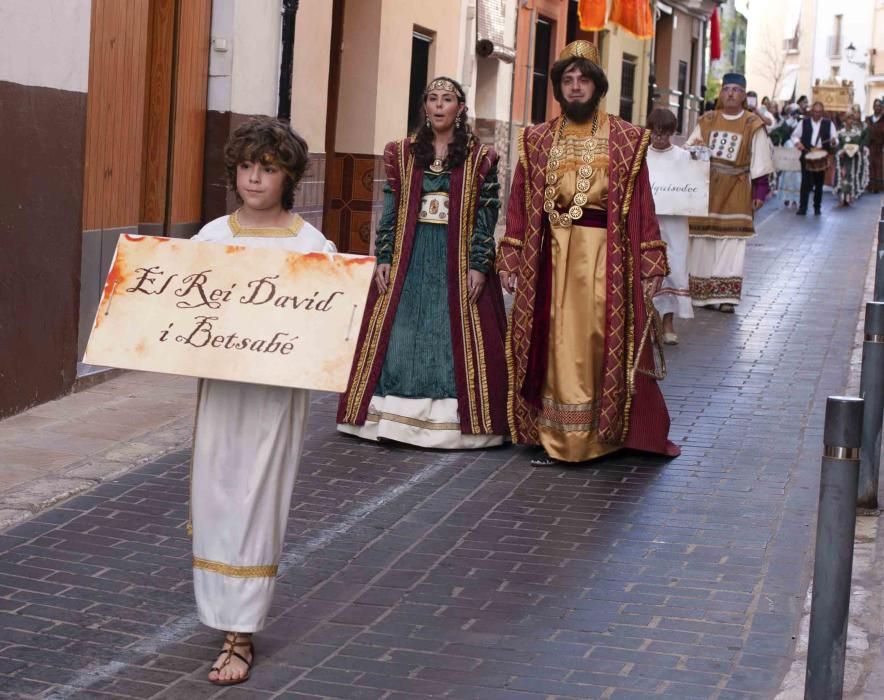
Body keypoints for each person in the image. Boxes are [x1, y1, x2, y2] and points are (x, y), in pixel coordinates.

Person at [189, 117, 336, 685]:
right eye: (247, 166)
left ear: (288, 176)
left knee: (257, 497)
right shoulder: (209, 238)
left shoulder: (308, 245)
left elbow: (325, 322)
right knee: (215, 494)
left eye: (268, 169)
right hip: (222, 388)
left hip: (275, 394)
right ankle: (222, 614)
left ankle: (239, 633)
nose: (255, 178)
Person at [497, 40, 679, 466]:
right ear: (559, 89)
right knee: (552, 340)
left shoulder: (627, 139)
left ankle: (600, 434)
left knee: (598, 341)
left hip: (605, 261)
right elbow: (520, 203)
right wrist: (511, 255)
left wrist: (651, 259)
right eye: (567, 80)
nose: (575, 87)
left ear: (598, 87)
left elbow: (642, 206)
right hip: (549, 260)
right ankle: (553, 432)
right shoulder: (537, 139)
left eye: (584, 80)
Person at [337, 76, 508, 448]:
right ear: (425, 107)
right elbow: (392, 209)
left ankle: (450, 423)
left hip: (456, 257)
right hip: (410, 257)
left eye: (447, 99)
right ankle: (391, 418)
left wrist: (479, 263)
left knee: (450, 336)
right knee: (402, 335)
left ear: (460, 108)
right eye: (433, 99)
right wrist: (384, 255)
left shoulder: (481, 157)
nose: (440, 105)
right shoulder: (402, 152)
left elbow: (487, 212)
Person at [686, 72, 774, 313]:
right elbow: (689, 151)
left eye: (736, 90)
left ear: (744, 95)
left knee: (732, 241)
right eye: (727, 89)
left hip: (737, 187)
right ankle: (702, 294)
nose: (731, 93)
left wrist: (760, 191)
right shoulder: (708, 120)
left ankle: (727, 297)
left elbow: (761, 160)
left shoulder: (752, 124)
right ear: (721, 93)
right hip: (707, 188)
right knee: (702, 240)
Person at [646, 108, 694, 344]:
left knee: (673, 265)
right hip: (649, 221)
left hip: (674, 223)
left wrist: (702, 158)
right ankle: (651, 320)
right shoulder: (641, 156)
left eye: (664, 135)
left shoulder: (683, 157)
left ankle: (668, 321)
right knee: (649, 266)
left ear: (672, 134)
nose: (660, 139)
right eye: (656, 134)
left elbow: (696, 185)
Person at [792, 100, 836, 216]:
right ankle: (803, 207)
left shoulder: (828, 123)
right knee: (805, 183)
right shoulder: (804, 122)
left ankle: (817, 207)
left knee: (819, 184)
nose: (817, 114)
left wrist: (833, 142)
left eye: (820, 112)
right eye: (815, 112)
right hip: (806, 154)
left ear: (822, 112)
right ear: (812, 111)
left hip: (821, 156)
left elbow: (835, 140)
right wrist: (798, 143)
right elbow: (795, 136)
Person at [834, 111, 869, 207]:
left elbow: (858, 144)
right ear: (845, 120)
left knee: (850, 176)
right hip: (842, 158)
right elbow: (838, 144)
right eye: (848, 119)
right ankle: (842, 198)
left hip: (852, 158)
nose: (850, 121)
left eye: (852, 119)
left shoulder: (857, 132)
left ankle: (849, 197)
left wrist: (854, 150)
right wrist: (841, 151)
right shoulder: (840, 132)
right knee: (842, 176)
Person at [866, 99, 884, 193]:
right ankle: (869, 186)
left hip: (879, 146)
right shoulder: (868, 119)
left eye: (879, 106)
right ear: (873, 107)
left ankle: (877, 187)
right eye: (876, 105)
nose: (878, 107)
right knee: (869, 166)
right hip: (870, 146)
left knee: (878, 166)